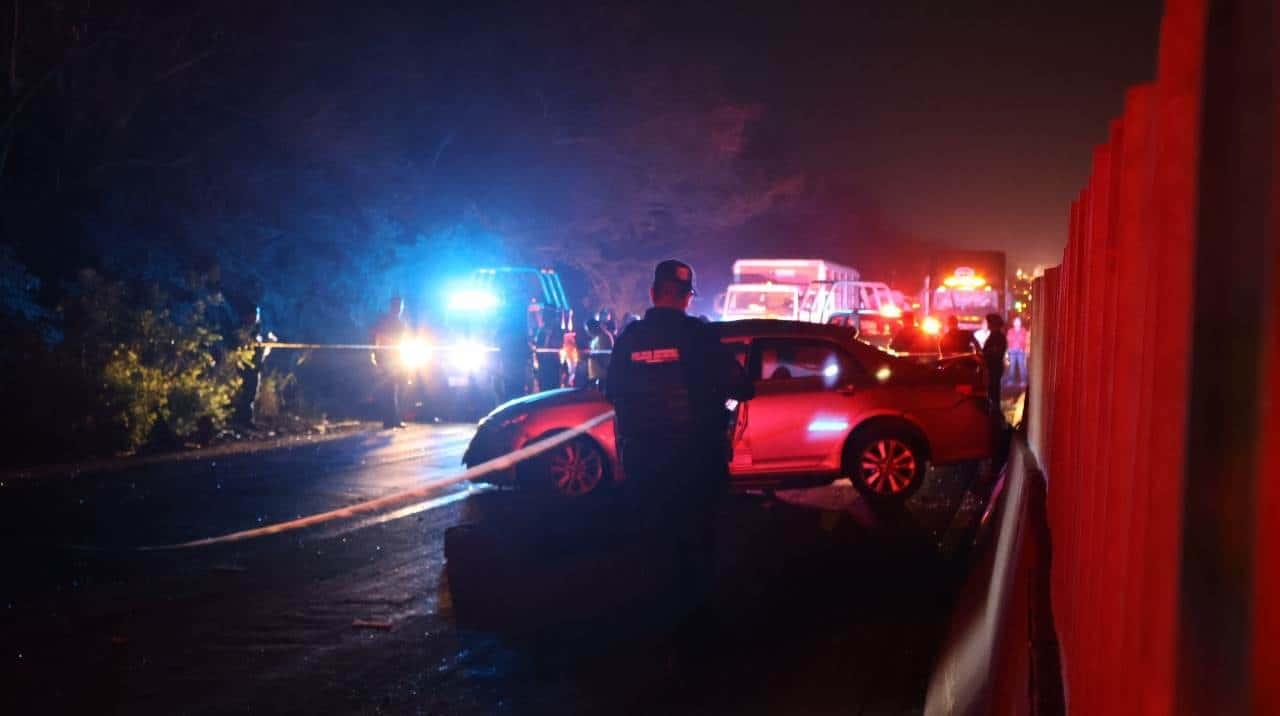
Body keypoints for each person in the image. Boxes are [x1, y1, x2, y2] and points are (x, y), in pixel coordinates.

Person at [605, 259, 755, 646]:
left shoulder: (630, 339)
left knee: (654, 542)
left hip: (644, 462)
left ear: (653, 294)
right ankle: (697, 630)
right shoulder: (698, 337)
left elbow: (611, 391)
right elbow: (742, 387)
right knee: (698, 543)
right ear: (687, 298)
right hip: (695, 461)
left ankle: (656, 624)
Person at [371, 296, 409, 429]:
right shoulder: (385, 321)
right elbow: (376, 338)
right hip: (387, 359)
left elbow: (403, 341)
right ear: (392, 307)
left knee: (397, 389)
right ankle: (389, 420)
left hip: (398, 359)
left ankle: (394, 419)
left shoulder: (400, 323)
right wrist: (376, 355)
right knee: (390, 390)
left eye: (400, 306)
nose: (399, 309)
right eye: (397, 306)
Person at [982, 313, 1009, 409]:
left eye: (989, 323)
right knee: (993, 388)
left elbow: (994, 352)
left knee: (993, 389)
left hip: (994, 367)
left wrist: (987, 353)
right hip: (993, 366)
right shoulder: (994, 336)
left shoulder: (998, 337)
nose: (988, 325)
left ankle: (994, 411)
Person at [586, 317, 614, 385]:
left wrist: (589, 355)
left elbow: (603, 356)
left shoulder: (603, 337)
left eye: (588, 330)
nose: (588, 332)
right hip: (596, 375)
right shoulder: (596, 338)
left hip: (602, 375)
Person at [1006, 316, 1029, 387]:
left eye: (1018, 321)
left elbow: (1025, 340)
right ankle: (1010, 381)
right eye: (1015, 321)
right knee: (1011, 366)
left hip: (1020, 351)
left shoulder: (1023, 330)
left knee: (1021, 366)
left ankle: (1023, 381)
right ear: (1013, 323)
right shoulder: (1010, 331)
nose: (1017, 323)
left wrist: (1024, 350)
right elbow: (1008, 340)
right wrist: (1008, 350)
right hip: (1012, 350)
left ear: (1020, 323)